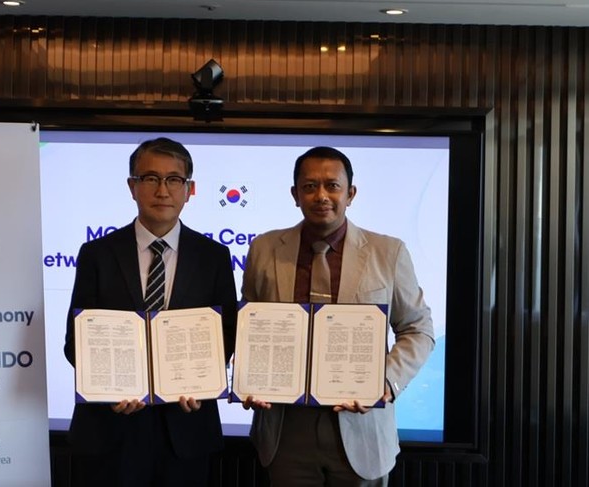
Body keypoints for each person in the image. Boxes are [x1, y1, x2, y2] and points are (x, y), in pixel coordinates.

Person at [241, 146, 435, 486]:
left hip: (362, 427)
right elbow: (251, 326)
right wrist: (250, 378)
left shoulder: (388, 252)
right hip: (286, 429)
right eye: (309, 186)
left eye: (332, 185)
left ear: (350, 193)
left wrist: (385, 381)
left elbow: (418, 329)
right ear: (295, 194)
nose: (321, 196)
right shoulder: (264, 248)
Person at [63, 137, 238, 487]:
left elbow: (226, 337)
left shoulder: (214, 256)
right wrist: (109, 389)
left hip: (186, 430)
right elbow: (75, 343)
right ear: (132, 186)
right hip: (110, 430)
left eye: (174, 179)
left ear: (189, 190)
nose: (162, 190)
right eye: (150, 178)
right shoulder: (97, 254)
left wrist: (202, 383)